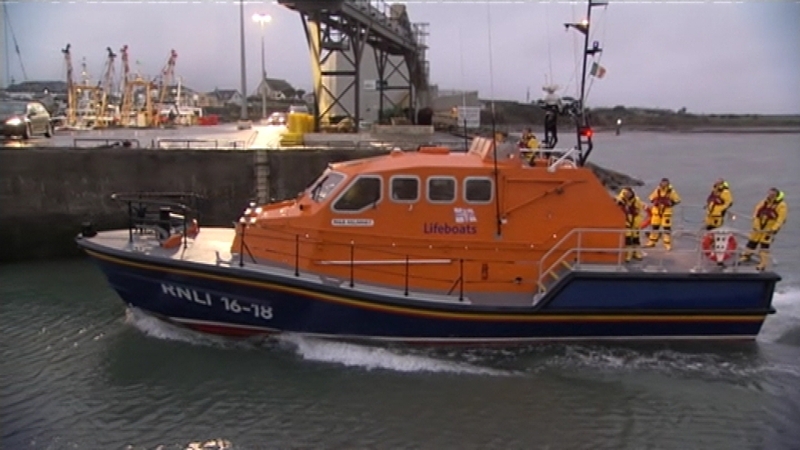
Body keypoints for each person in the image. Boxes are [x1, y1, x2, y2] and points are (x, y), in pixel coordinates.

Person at [739, 188, 788, 271]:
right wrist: (756, 225)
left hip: (769, 229)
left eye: (772, 194)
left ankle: (763, 263)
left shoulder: (781, 205)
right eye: (769, 194)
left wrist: (774, 228)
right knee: (752, 242)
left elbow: (781, 219)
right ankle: (746, 256)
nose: (770, 195)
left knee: (764, 246)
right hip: (758, 227)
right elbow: (756, 213)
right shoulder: (764, 202)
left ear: (776, 195)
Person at [645, 178, 682, 250]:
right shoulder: (657, 190)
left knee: (666, 228)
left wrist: (671, 203)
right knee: (655, 227)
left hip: (666, 213)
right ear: (661, 183)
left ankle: (667, 244)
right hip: (656, 212)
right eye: (663, 182)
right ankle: (651, 242)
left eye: (665, 182)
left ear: (668, 183)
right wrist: (656, 201)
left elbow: (677, 200)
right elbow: (651, 198)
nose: (664, 184)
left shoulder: (671, 191)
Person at [616, 187, 645, 262]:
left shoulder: (636, 200)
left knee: (636, 239)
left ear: (632, 193)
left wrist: (637, 222)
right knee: (628, 239)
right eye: (625, 193)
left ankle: (637, 253)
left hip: (635, 222)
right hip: (626, 222)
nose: (627, 194)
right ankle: (628, 255)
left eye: (629, 193)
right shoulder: (620, 201)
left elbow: (640, 212)